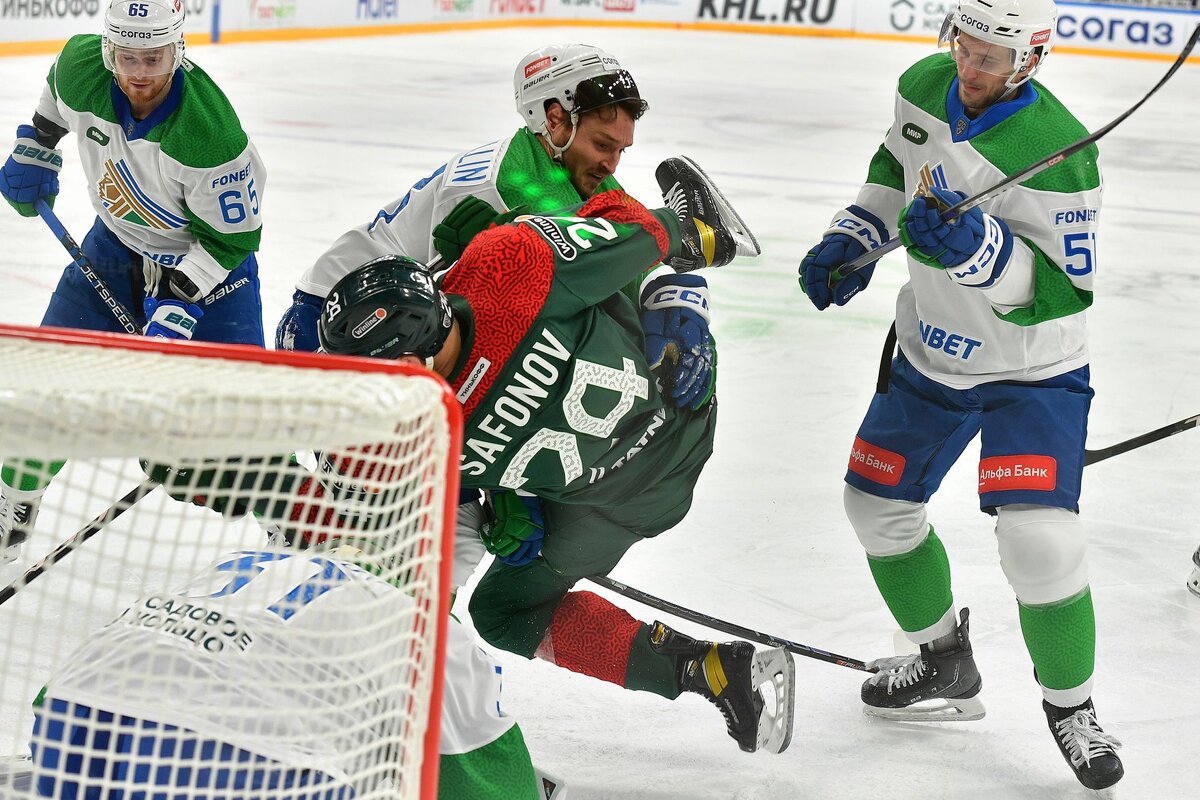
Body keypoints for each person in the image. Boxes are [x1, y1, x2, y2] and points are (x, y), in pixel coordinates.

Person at [313, 159, 793, 755]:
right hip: (667, 444)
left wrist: (676, 292)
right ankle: (711, 669)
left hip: (620, 502)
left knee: (506, 612)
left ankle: (696, 667)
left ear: (411, 363)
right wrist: (685, 243)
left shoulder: (413, 426)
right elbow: (632, 228)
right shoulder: (504, 267)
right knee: (571, 254)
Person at [797, 0, 1121, 789]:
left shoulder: (1059, 151)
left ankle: (1072, 708)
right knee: (874, 508)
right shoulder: (922, 84)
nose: (969, 70)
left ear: (1029, 61)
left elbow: (1063, 292)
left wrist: (981, 253)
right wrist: (855, 236)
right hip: (931, 354)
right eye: (963, 47)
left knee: (1040, 544)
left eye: (990, 59)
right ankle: (943, 659)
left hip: (1031, 371)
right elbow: (893, 168)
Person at [0, 0, 267, 564]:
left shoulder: (210, 135)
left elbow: (233, 241)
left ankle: (303, 529)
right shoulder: (81, 66)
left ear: (178, 51)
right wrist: (37, 143)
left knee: (244, 413)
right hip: (114, 247)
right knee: (52, 382)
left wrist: (180, 299)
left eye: (154, 57)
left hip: (208, 265)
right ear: (108, 51)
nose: (140, 72)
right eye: (128, 57)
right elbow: (55, 96)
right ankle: (11, 509)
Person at [27, 546, 547, 800]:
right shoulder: (426, 624)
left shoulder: (242, 560)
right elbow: (492, 781)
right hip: (241, 758)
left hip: (70, 721)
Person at [275, 42, 649, 353]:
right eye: (603, 145)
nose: (612, 164)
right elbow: (606, 268)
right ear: (554, 119)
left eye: (621, 150)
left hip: (393, 320)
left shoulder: (564, 163)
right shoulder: (511, 187)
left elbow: (631, 231)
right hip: (340, 319)